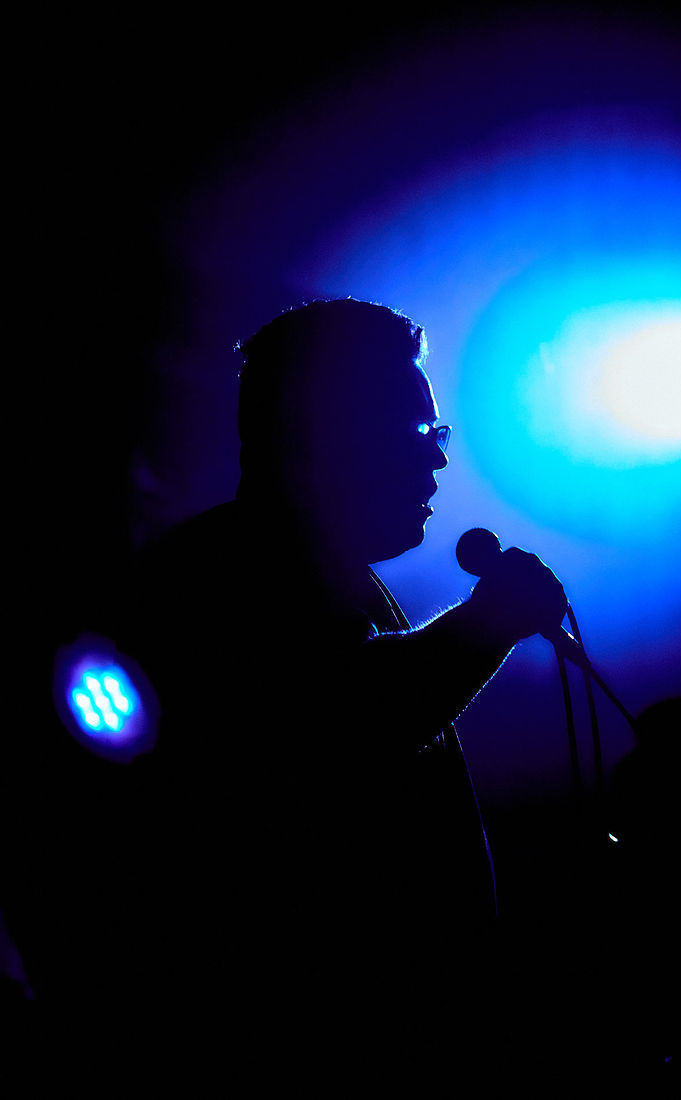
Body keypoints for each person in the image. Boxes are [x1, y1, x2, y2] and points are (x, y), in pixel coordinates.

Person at [97, 298, 568, 1073]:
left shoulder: (343, 583)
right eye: (415, 433)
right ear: (325, 435)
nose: (436, 461)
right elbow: (328, 727)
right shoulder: (214, 576)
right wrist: (487, 625)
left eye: (437, 434)